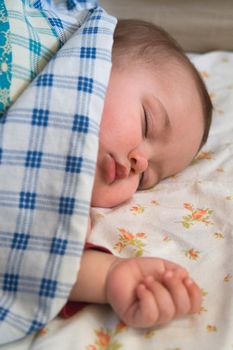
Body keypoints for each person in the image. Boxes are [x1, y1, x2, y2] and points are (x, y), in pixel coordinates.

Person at [66, 19, 212, 328]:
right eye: (147, 123)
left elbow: (43, 258)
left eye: (145, 180)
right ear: (95, 53)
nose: (141, 163)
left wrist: (110, 276)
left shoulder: (62, 205)